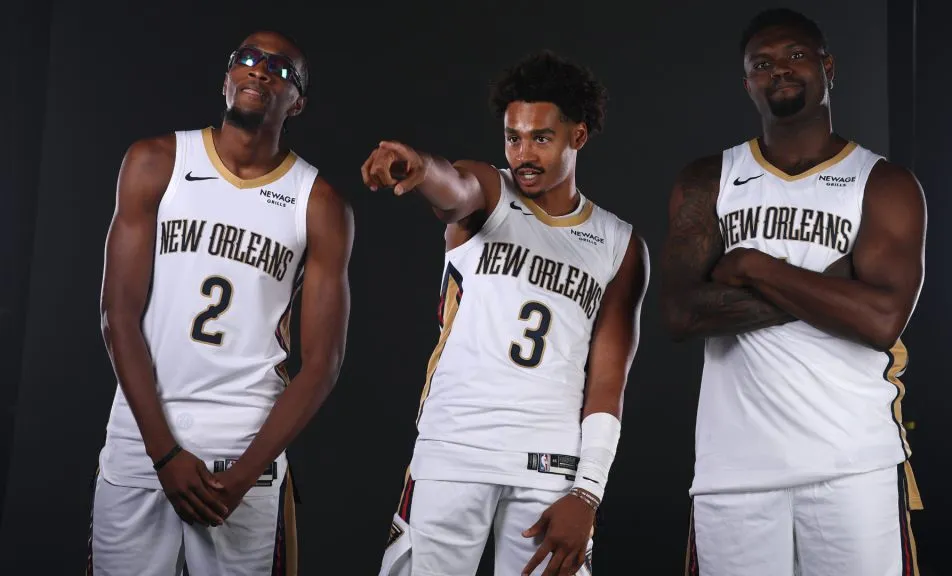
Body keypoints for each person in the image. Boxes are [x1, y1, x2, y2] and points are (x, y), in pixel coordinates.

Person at [661, 8, 926, 576]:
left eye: (796, 56)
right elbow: (680, 313)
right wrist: (834, 290)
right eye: (762, 63)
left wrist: (757, 266)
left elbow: (881, 320)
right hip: (734, 472)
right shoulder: (710, 179)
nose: (779, 70)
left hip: (852, 463)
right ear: (747, 82)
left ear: (828, 68)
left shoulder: (883, 183)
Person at [363, 51, 649, 576]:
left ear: (578, 137)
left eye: (541, 137)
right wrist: (419, 168)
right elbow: (453, 189)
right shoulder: (490, 191)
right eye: (513, 137)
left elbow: (608, 381)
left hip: (552, 468)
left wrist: (588, 493)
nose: (523, 153)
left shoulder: (619, 243)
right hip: (456, 451)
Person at [89, 30, 353, 575]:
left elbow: (322, 365)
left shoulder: (319, 202)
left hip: (244, 451)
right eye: (248, 60)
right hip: (142, 436)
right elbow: (118, 316)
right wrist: (164, 452)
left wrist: (242, 474)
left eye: (280, 68)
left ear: (297, 101)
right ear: (227, 78)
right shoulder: (156, 160)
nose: (260, 71)